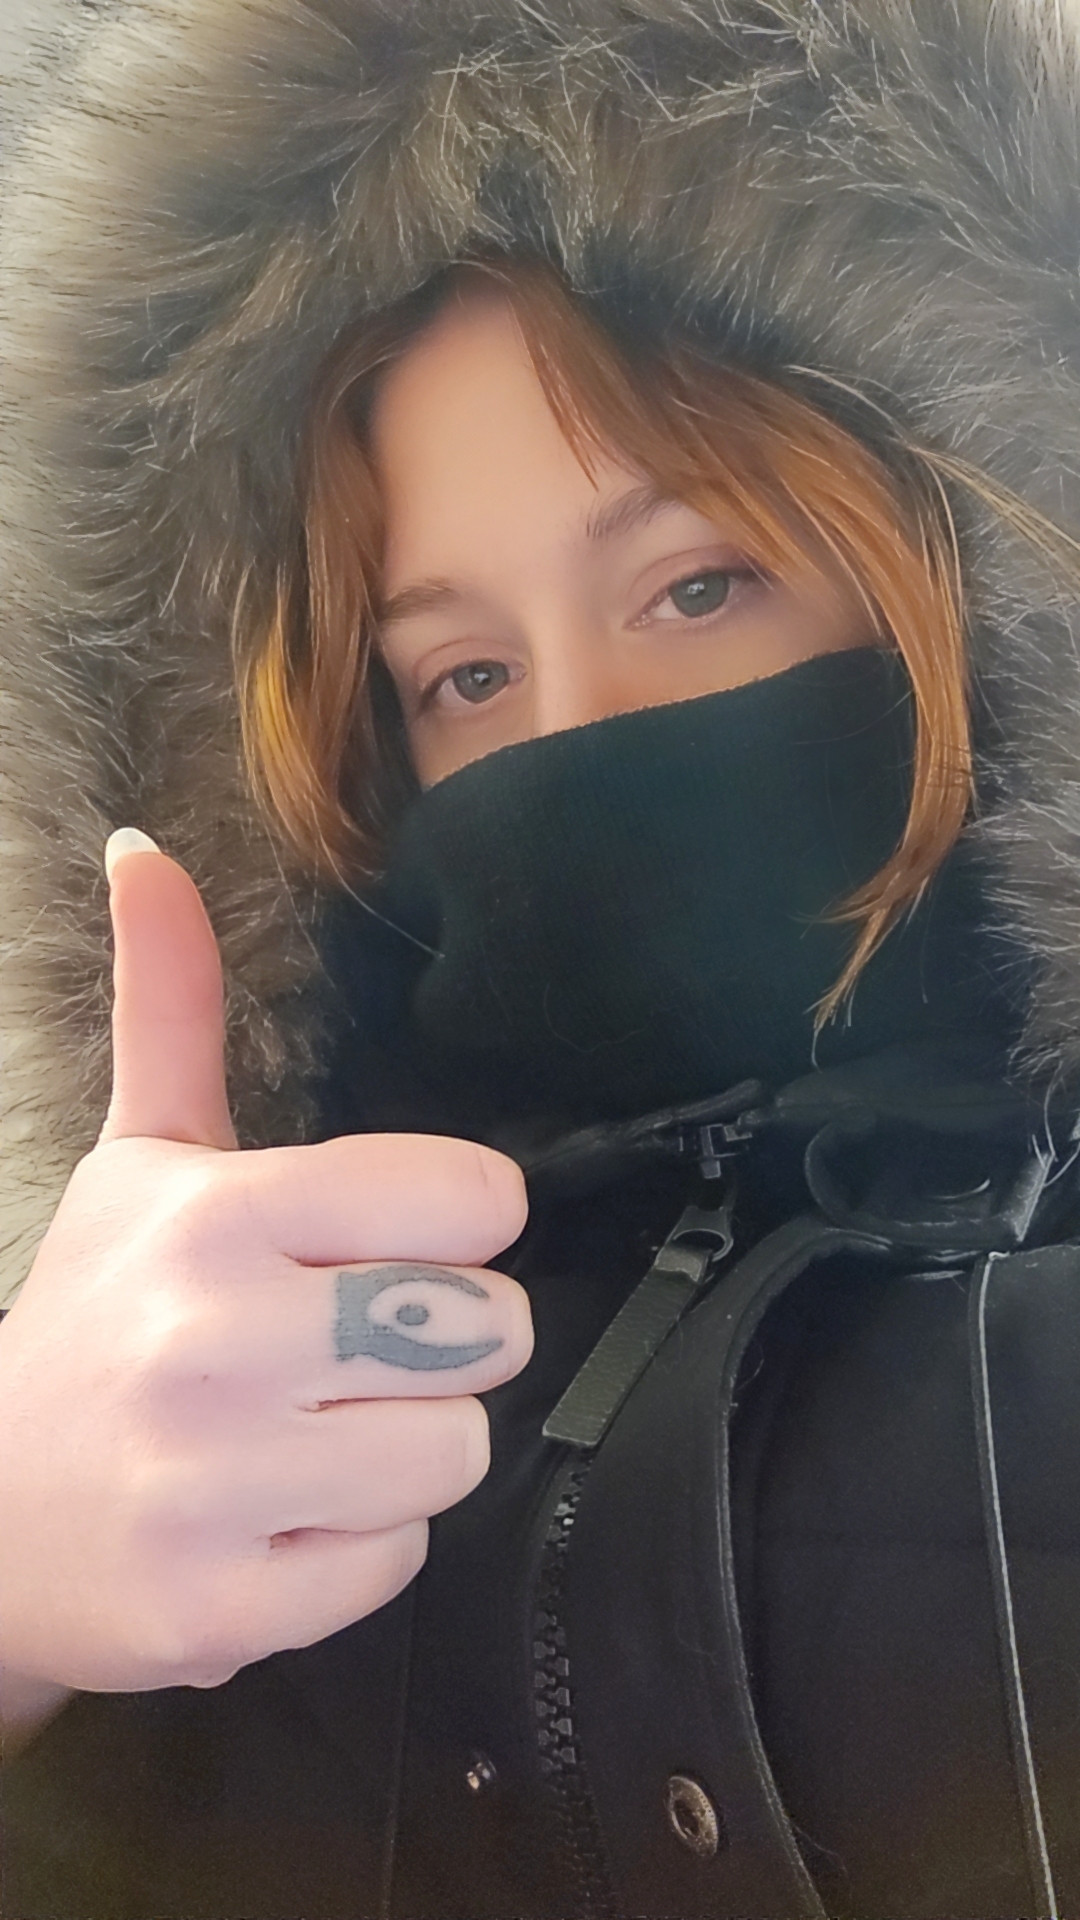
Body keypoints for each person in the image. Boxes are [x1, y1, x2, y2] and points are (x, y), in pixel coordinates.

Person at [2, 2, 1080, 1915]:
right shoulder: (202, 1321)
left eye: (698, 583)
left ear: (957, 564)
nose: (580, 731)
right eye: (469, 676)